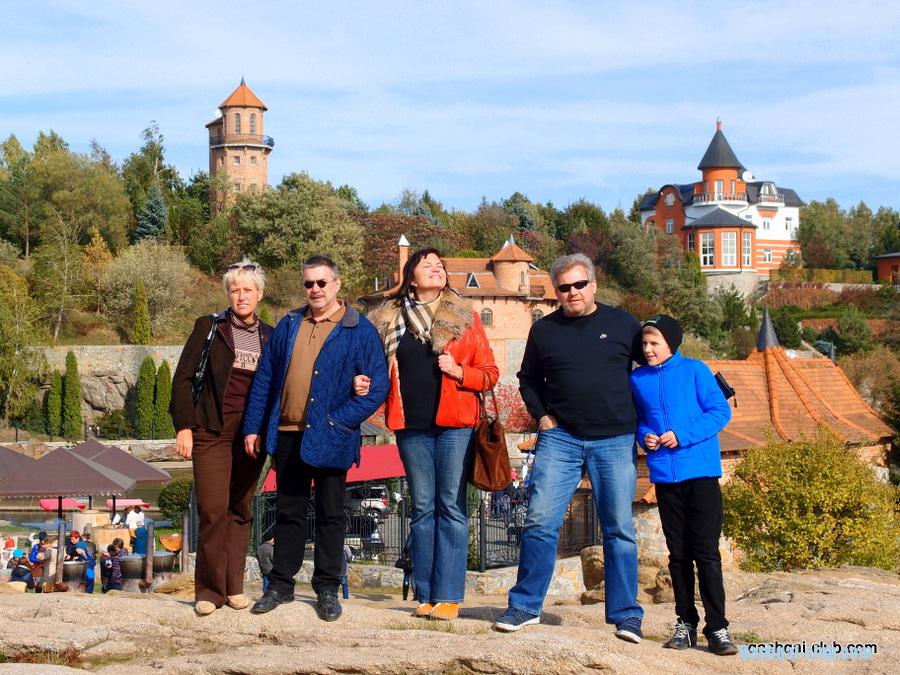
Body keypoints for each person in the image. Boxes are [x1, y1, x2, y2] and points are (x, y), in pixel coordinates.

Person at [494, 253, 645, 640]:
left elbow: (651, 369)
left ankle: (626, 615)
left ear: (593, 285)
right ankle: (525, 606)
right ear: (556, 292)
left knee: (619, 528)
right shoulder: (544, 330)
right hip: (561, 439)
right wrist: (543, 418)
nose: (573, 292)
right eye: (564, 287)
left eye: (580, 284)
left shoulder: (623, 324)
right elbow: (527, 379)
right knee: (540, 522)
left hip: (615, 438)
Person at [244, 255, 389, 620]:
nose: (315, 289)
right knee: (289, 512)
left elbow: (377, 387)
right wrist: (253, 427)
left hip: (332, 436)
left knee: (330, 514)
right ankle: (280, 586)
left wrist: (340, 420)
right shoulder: (290, 323)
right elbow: (265, 378)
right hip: (288, 433)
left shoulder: (358, 328)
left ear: (336, 284)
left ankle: (327, 588)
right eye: (309, 283)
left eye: (322, 282)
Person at [365, 248, 498, 621]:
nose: (437, 269)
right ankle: (425, 595)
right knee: (422, 509)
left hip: (456, 425)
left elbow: (490, 373)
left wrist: (460, 371)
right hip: (410, 426)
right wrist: (364, 383)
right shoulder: (388, 322)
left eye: (441, 265)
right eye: (428, 265)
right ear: (411, 277)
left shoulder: (465, 318)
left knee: (451, 507)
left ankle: (449, 596)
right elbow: (373, 371)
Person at [170, 258, 273, 616]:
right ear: (228, 294)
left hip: (251, 434)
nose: (241, 296)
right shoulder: (210, 327)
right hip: (212, 429)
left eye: (248, 290)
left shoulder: (270, 336)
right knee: (213, 509)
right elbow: (183, 379)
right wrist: (184, 426)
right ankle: (210, 591)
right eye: (235, 290)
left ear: (260, 294)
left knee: (240, 508)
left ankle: (234, 587)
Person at [630, 315, 737, 656]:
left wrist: (682, 435)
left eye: (654, 343)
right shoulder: (638, 379)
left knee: (706, 553)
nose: (648, 349)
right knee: (678, 556)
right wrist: (644, 437)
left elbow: (719, 412)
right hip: (664, 477)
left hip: (701, 474)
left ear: (671, 344)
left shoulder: (695, 370)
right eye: (644, 343)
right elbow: (639, 421)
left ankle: (717, 628)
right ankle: (685, 624)